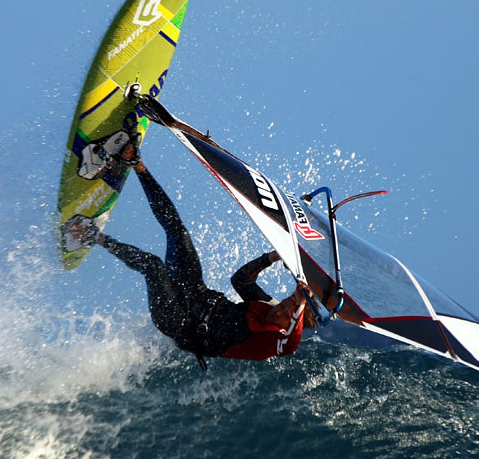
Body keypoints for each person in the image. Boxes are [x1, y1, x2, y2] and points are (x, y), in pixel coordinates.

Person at [68, 139, 312, 367]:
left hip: (178, 323)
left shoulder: (268, 341)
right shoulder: (266, 306)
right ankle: (137, 166)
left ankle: (93, 237)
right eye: (286, 303)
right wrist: (271, 257)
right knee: (178, 231)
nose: (279, 309)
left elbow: (289, 345)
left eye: (285, 314)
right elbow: (240, 280)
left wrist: (299, 307)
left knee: (153, 265)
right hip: (195, 292)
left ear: (290, 325)